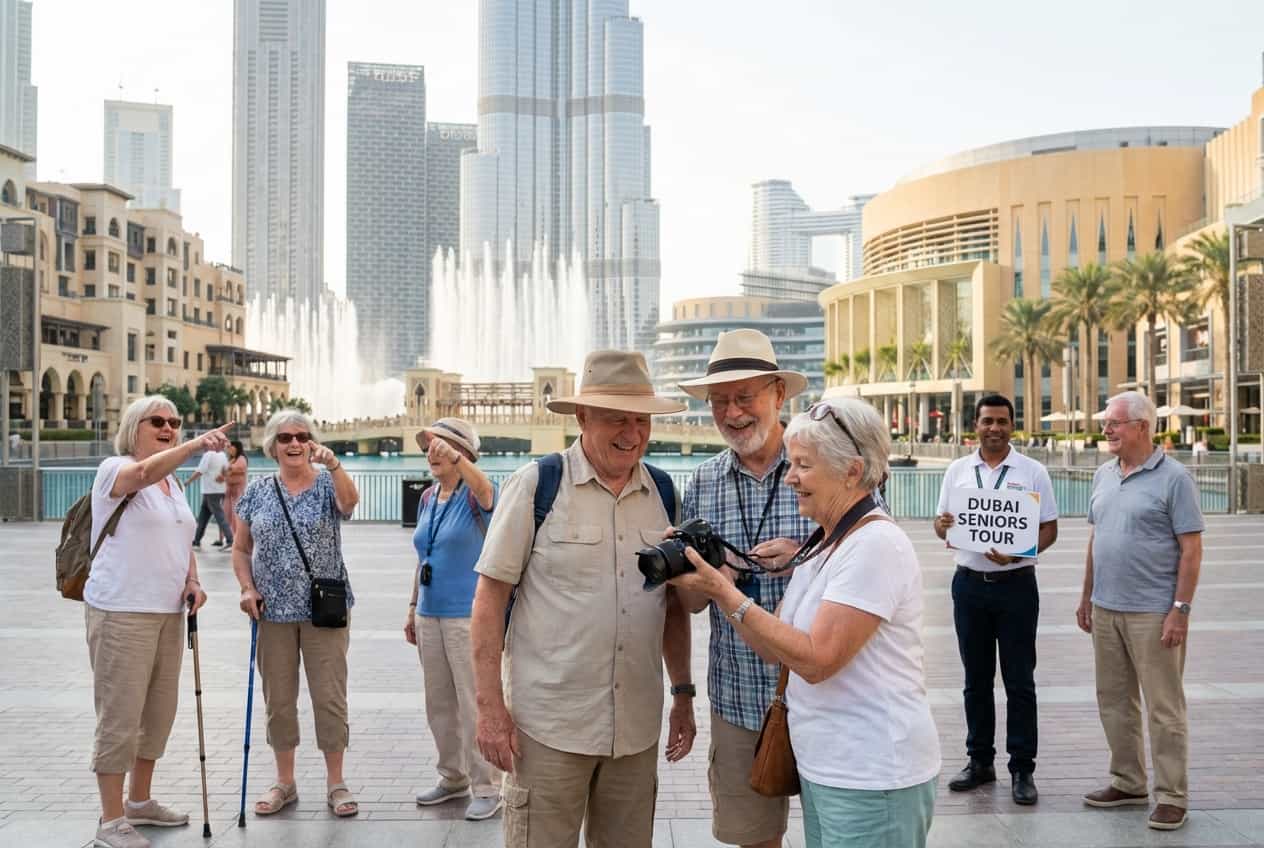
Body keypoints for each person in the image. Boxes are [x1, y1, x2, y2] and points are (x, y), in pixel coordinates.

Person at [669, 398, 941, 848]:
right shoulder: (825, 542)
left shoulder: (874, 544)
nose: (790, 476)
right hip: (831, 770)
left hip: (873, 775)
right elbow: (776, 648)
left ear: (851, 471)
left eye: (802, 466)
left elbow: (816, 661)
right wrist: (719, 580)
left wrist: (725, 593)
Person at [471, 350, 696, 848]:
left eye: (641, 419)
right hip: (549, 730)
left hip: (635, 732)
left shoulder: (663, 492)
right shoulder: (536, 485)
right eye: (617, 417)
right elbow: (488, 599)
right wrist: (490, 710)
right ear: (582, 417)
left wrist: (682, 695)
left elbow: (673, 609)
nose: (632, 432)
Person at [673, 328, 814, 848]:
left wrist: (802, 560)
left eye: (745, 396)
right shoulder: (702, 483)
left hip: (828, 694)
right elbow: (687, 604)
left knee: (844, 834)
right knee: (754, 839)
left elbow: (874, 554)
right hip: (739, 699)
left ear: (779, 393)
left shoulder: (828, 465)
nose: (732, 413)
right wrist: (705, 582)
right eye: (719, 401)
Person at [84, 396, 229, 848]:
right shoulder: (116, 469)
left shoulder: (172, 489)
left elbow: (182, 539)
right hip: (121, 611)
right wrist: (194, 447)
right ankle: (110, 822)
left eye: (175, 423)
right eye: (159, 422)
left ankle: (139, 801)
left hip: (168, 612)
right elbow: (143, 474)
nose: (169, 427)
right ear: (134, 427)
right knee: (120, 715)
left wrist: (194, 580)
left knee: (158, 714)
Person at [1076, 391, 1204, 831]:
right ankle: (1128, 781)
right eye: (1106, 423)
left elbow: (1191, 551)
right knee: (1114, 702)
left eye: (1114, 423)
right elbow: (1098, 540)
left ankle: (1172, 795)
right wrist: (1086, 595)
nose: (1106, 430)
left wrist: (1180, 610)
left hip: (1153, 613)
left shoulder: (1175, 479)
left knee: (1164, 708)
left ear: (1142, 427)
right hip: (1106, 609)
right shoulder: (1104, 476)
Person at [231, 410, 362, 818]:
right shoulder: (257, 491)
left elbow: (350, 503)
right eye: (285, 436)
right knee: (279, 700)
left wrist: (335, 464)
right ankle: (284, 782)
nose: (293, 443)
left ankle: (336, 783)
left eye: (301, 436)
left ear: (311, 442)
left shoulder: (326, 484)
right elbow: (240, 549)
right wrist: (247, 588)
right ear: (272, 445)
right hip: (272, 612)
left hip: (324, 610)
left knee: (329, 696)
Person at [932, 394, 1058, 805]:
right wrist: (941, 524)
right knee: (975, 680)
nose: (995, 428)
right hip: (969, 585)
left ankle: (1022, 768)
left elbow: (1049, 529)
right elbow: (942, 526)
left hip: (1017, 584)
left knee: (1020, 680)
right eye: (988, 421)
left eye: (1002, 421)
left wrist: (1021, 552)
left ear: (1012, 424)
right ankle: (979, 761)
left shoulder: (1033, 471)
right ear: (976, 425)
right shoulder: (956, 471)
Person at [405, 418, 502, 820]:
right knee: (439, 705)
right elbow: (423, 556)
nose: (433, 452)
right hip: (430, 615)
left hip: (468, 617)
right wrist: (412, 606)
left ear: (462, 454)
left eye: (441, 446)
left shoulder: (476, 496)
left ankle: (488, 786)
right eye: (429, 446)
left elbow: (487, 490)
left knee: (472, 703)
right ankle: (452, 777)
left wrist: (458, 458)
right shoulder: (428, 498)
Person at [188, 443, 232, 549]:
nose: (203, 447)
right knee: (203, 516)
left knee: (219, 515)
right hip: (219, 489)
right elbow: (227, 469)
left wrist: (188, 481)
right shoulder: (222, 454)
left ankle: (231, 539)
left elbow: (200, 470)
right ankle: (196, 541)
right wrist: (222, 478)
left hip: (210, 490)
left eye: (205, 445)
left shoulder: (208, 455)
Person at [223, 440, 248, 541]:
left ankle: (236, 537)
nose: (229, 451)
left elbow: (236, 468)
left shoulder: (241, 459)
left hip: (237, 490)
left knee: (235, 514)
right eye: (229, 449)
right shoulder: (232, 459)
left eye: (231, 448)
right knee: (227, 513)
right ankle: (229, 537)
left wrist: (228, 468)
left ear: (237, 449)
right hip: (229, 491)